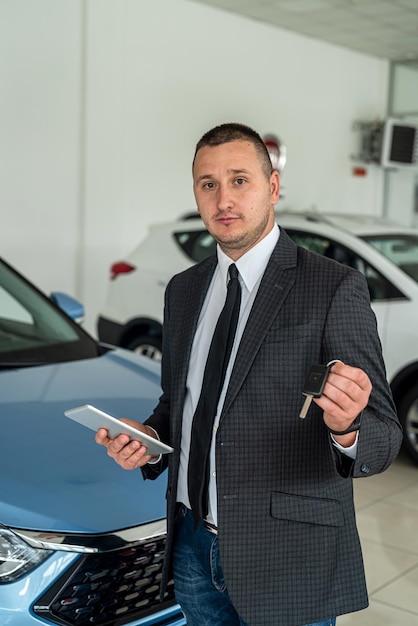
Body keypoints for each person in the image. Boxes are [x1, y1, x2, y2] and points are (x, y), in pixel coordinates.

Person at [96, 122, 402, 626]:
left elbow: (385, 439)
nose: (223, 200)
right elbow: (180, 403)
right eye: (208, 184)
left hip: (287, 553)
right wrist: (149, 438)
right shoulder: (184, 290)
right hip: (193, 545)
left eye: (240, 180)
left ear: (273, 188)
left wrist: (347, 427)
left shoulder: (333, 287)